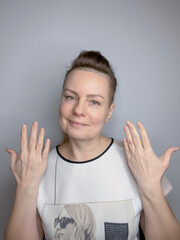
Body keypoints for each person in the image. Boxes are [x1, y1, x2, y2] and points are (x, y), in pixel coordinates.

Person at [4, 50, 180, 240]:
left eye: (94, 102)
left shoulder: (137, 160)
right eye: (70, 97)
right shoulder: (36, 166)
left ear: (109, 112)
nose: (79, 110)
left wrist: (151, 186)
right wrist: (25, 188)